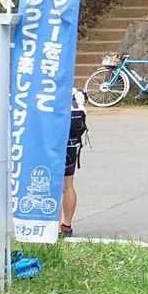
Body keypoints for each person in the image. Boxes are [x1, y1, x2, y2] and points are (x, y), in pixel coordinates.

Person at [60, 89, 88, 238]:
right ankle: (66, 225)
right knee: (68, 184)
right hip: (71, 145)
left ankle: (51, 227)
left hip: (48, 145)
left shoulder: (43, 91)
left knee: (49, 185)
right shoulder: (76, 93)